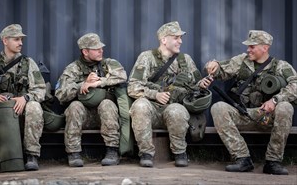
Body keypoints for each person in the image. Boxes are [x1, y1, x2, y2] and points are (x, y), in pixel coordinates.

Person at [204, 30, 296, 175]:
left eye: (252, 46)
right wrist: (212, 65)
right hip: (243, 114)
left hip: (267, 116)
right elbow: (221, 70)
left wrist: (275, 100)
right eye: (248, 46)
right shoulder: (242, 61)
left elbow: (295, 85)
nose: (248, 49)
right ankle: (242, 159)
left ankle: (273, 162)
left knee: (285, 107)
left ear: (265, 48)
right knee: (218, 107)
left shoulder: (280, 66)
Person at [127, 21, 210, 167]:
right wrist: (155, 95)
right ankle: (146, 153)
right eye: (176, 38)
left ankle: (179, 153)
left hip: (172, 108)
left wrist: (201, 85)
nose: (180, 41)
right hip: (151, 109)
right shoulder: (147, 58)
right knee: (139, 106)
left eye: (180, 38)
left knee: (177, 110)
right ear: (164, 40)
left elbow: (195, 90)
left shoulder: (186, 60)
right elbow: (133, 86)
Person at [0, 24, 46, 174]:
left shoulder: (29, 63)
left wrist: (25, 98)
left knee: (34, 106)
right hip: (0, 116)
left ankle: (31, 156)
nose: (20, 43)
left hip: (21, 114)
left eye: (21, 39)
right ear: (5, 41)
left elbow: (40, 90)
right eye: (16, 39)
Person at [55, 33, 127, 167]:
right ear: (85, 52)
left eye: (101, 47)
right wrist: (81, 85)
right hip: (84, 117)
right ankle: (73, 153)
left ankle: (112, 151)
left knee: (107, 104)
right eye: (96, 49)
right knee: (74, 106)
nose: (101, 50)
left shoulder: (108, 64)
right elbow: (60, 94)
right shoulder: (73, 69)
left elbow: (122, 76)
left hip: (105, 116)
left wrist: (99, 82)